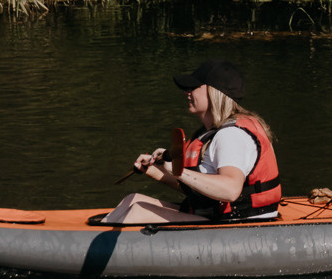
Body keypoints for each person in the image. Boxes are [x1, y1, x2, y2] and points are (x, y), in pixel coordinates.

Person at [104, 60, 282, 225]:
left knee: (138, 212)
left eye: (193, 87)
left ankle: (90, 252)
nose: (187, 92)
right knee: (133, 200)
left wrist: (178, 171)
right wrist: (155, 170)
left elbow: (230, 190)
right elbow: (199, 190)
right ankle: (90, 244)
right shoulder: (210, 133)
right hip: (215, 215)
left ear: (215, 92)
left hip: (242, 222)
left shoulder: (231, 136)